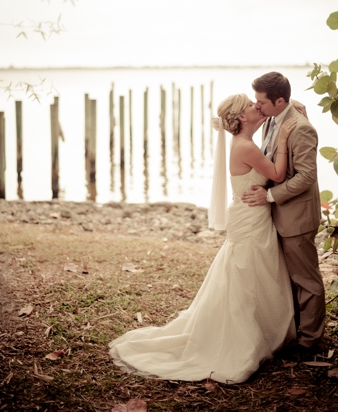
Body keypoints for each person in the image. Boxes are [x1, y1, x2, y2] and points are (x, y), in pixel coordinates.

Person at [108, 94, 297, 383]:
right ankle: (244, 337)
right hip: (249, 219)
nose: (256, 107)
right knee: (246, 275)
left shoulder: (245, 142)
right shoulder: (245, 146)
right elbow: (278, 173)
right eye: (250, 105)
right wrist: (283, 138)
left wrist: (284, 115)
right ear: (242, 117)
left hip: (252, 216)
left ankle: (262, 329)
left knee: (254, 272)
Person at [241, 72, 326, 354]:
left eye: (261, 102)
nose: (257, 107)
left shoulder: (300, 127)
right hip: (277, 215)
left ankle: (311, 339)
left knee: (305, 279)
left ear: (280, 100)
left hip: (296, 217)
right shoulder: (273, 119)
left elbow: (306, 177)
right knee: (288, 279)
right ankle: (294, 330)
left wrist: (268, 196)